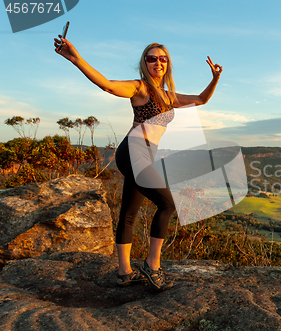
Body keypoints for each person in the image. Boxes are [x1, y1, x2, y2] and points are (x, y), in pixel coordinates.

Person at [54, 35, 222, 291]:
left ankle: (124, 273)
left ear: (168, 64)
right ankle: (152, 266)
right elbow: (108, 85)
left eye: (162, 59)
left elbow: (201, 99)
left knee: (129, 214)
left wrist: (215, 79)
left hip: (143, 155)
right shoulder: (140, 88)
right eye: (152, 59)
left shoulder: (168, 96)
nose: (158, 63)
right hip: (133, 152)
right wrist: (77, 59)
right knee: (167, 203)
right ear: (145, 63)